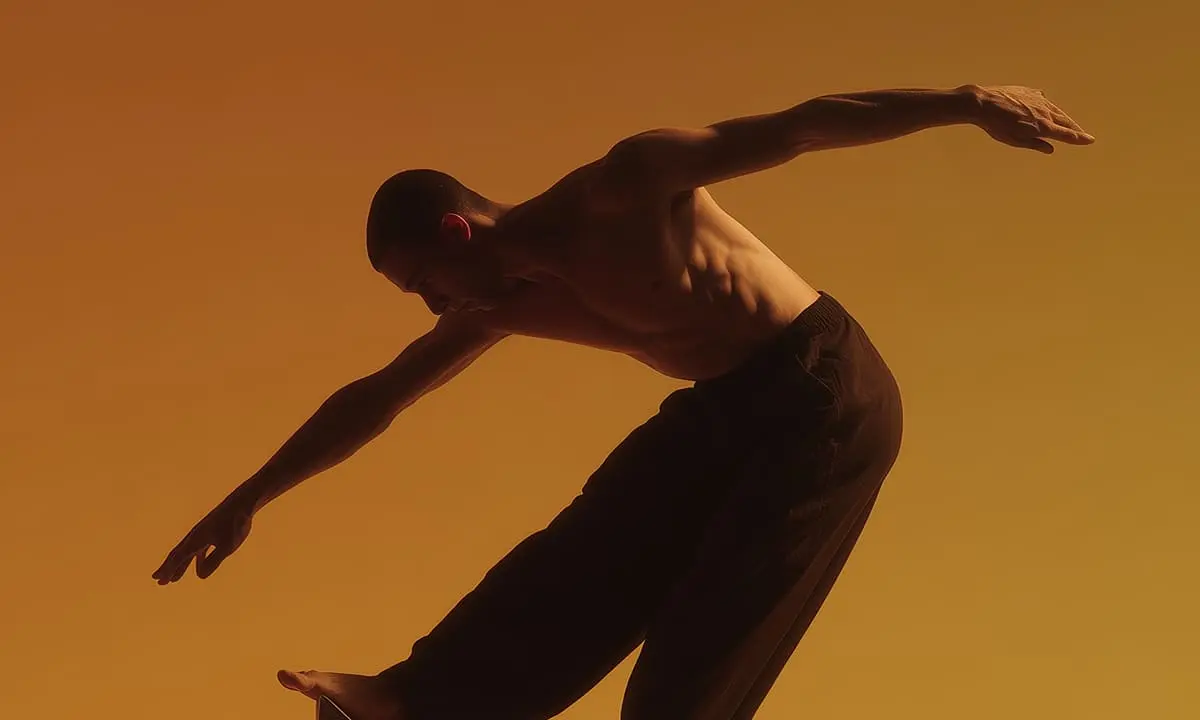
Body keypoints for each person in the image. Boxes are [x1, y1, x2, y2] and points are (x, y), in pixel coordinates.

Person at [153, 84, 1094, 720]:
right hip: (726, 404)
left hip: (823, 391)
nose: (440, 307)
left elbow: (801, 127)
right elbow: (379, 394)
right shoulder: (506, 302)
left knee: (706, 636)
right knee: (587, 545)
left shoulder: (623, 189)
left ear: (458, 228)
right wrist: (250, 494)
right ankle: (419, 701)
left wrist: (964, 103)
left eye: (428, 284)